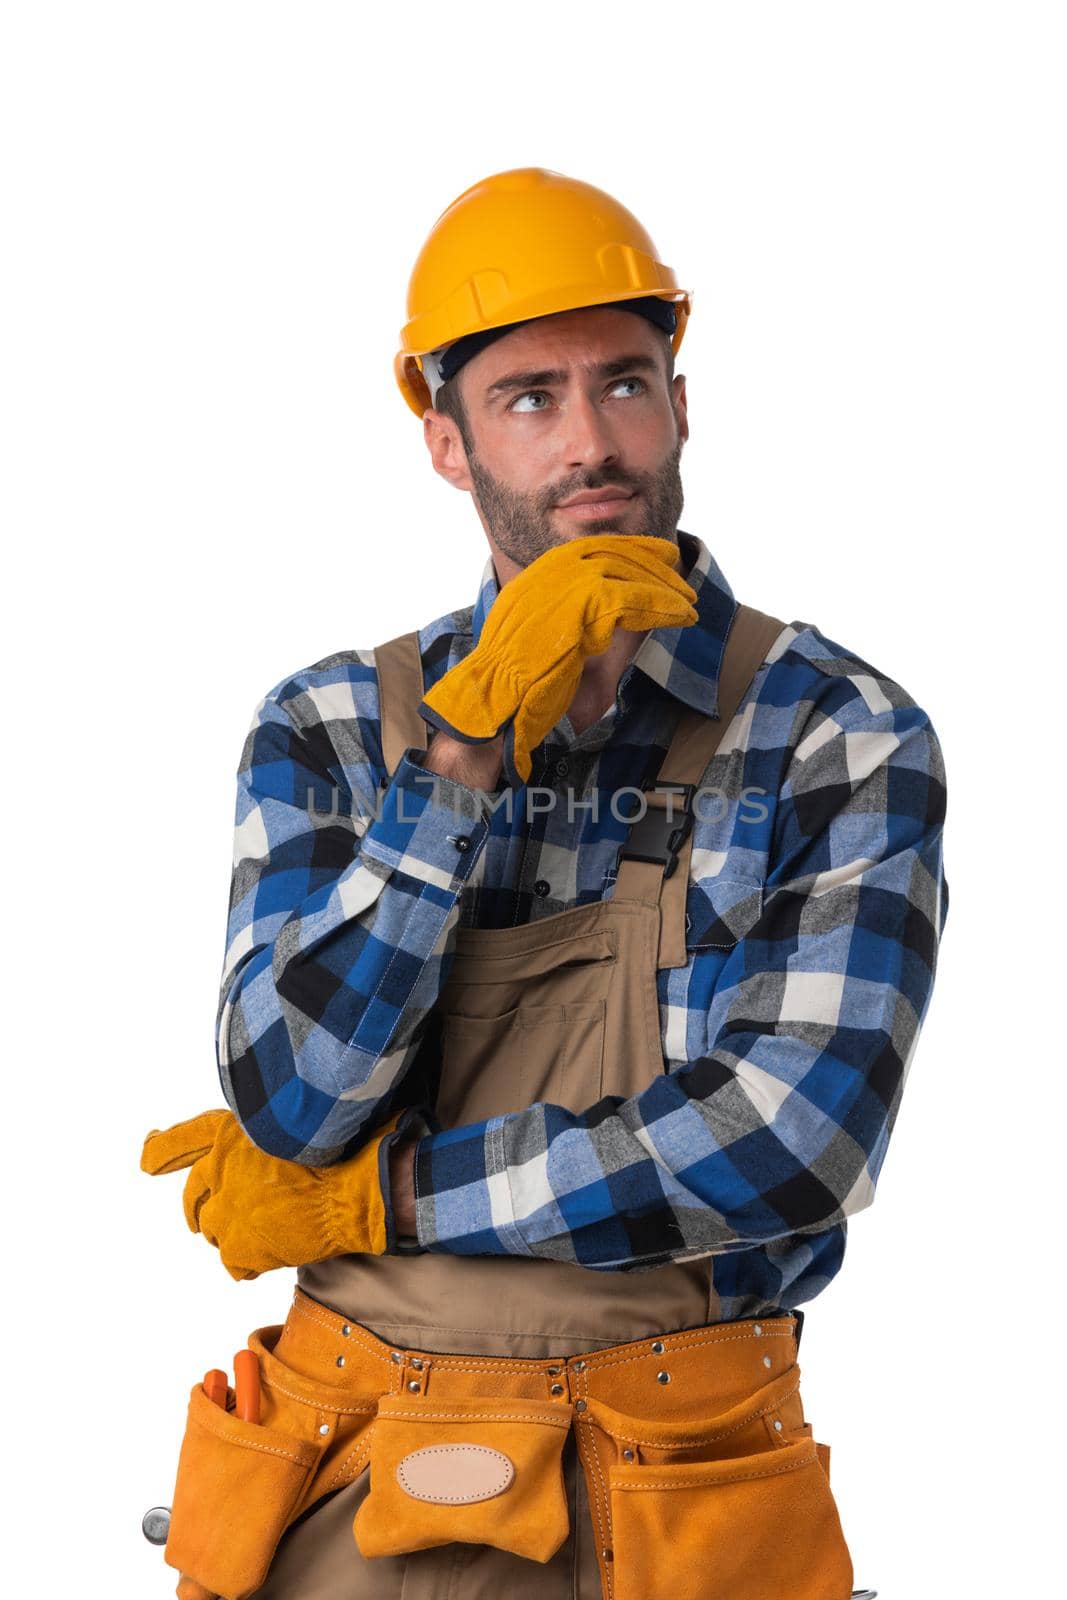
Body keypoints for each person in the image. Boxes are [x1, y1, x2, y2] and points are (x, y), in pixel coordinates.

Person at [142, 166, 947, 1600]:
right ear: (446, 443)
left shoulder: (834, 731)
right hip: (349, 1460)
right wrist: (452, 767)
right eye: (528, 398)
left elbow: (785, 1145)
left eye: (626, 384)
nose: (592, 442)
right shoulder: (335, 726)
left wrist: (383, 1203)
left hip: (683, 1480)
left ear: (682, 403)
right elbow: (293, 1100)